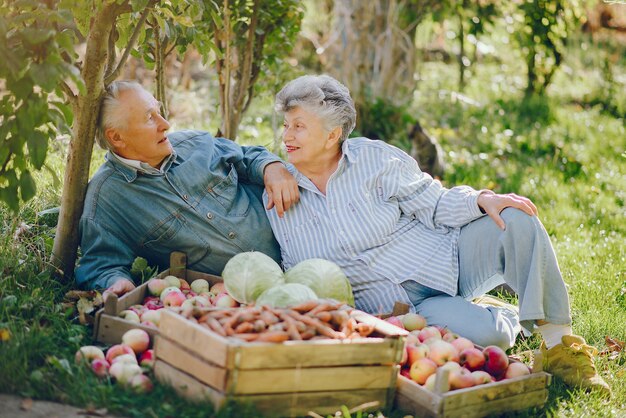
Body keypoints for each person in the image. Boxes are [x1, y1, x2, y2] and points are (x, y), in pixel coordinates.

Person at [263, 74, 611, 395]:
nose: (287, 136)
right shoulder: (280, 195)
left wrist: (483, 199)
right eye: (286, 125)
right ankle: (500, 313)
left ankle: (560, 348)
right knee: (490, 338)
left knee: (516, 219)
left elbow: (435, 203)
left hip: (448, 257)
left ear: (332, 134)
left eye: (298, 126)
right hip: (402, 311)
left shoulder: (375, 160)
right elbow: (298, 270)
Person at [75, 80, 299, 298]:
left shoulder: (195, 143)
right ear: (116, 137)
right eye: (149, 118)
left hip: (303, 242)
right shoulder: (108, 198)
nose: (165, 124)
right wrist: (116, 282)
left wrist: (272, 167)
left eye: (158, 111)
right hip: (242, 293)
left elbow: (249, 157)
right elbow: (100, 264)